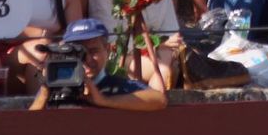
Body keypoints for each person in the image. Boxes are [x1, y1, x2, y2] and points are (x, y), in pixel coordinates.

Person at [28, 16, 167, 111]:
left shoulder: (117, 86)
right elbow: (28, 125)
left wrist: (105, 101)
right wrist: (44, 93)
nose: (86, 59)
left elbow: (159, 100)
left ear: (107, 49)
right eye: (77, 53)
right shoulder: (56, 85)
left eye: (93, 51)